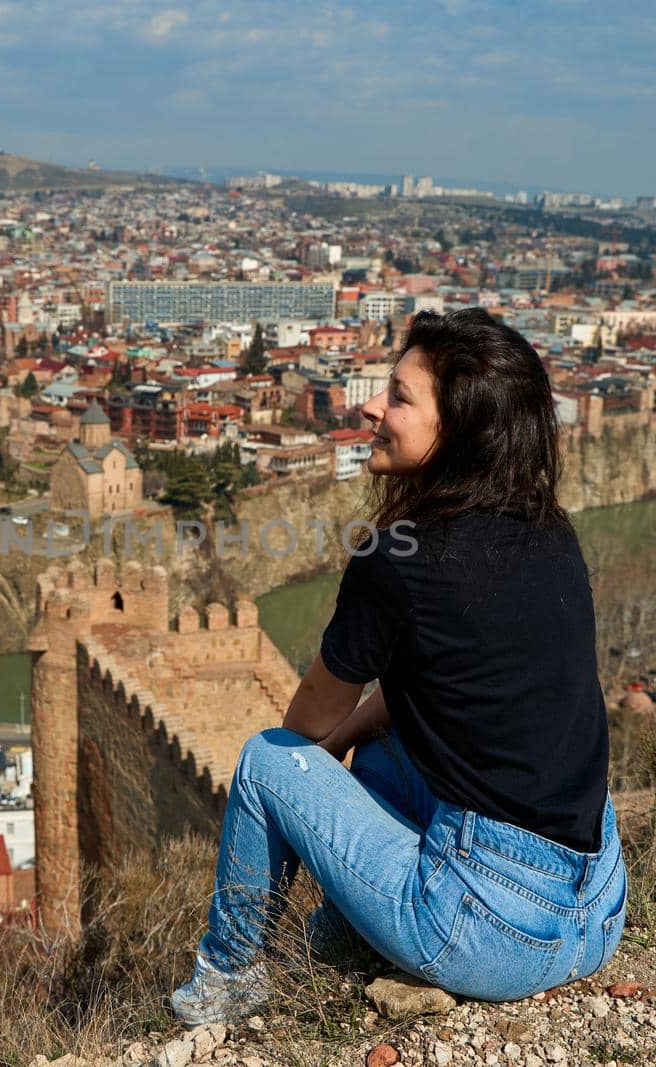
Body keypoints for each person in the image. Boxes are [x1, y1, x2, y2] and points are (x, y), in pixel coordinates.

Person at [171, 308, 625, 1025]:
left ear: (462, 431)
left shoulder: (401, 557)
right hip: (596, 914)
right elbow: (453, 696)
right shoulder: (550, 531)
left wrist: (313, 786)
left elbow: (306, 727)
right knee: (383, 747)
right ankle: (345, 933)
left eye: (399, 397)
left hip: (485, 933)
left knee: (265, 763)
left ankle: (225, 986)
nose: (371, 407)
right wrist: (361, 737)